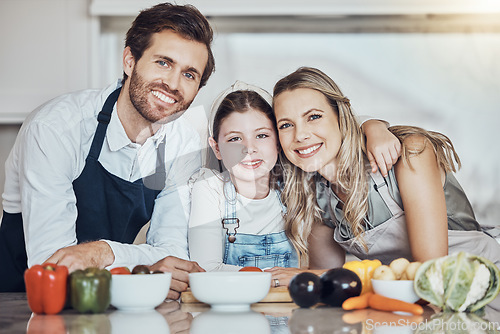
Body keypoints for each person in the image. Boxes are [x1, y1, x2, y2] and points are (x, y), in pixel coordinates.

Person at [0, 2, 214, 297]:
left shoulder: (183, 143)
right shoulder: (56, 128)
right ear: (129, 60)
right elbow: (53, 265)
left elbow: (172, 257)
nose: (173, 84)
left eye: (190, 75)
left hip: (111, 302)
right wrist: (144, 266)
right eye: (163, 62)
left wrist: (104, 252)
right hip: (21, 303)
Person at [267, 66, 500, 290]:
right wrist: (309, 276)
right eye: (286, 125)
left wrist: (316, 276)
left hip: (484, 288)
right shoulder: (317, 195)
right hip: (418, 307)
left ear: (342, 117)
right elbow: (327, 273)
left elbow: (431, 272)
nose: (300, 135)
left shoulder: (411, 154)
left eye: (314, 116)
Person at [188, 81, 401, 274]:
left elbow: (335, 128)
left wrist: (373, 126)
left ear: (279, 141)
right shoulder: (210, 189)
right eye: (235, 139)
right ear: (216, 148)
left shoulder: (298, 184)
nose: (249, 149)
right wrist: (273, 279)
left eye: (262, 135)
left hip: (290, 304)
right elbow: (205, 269)